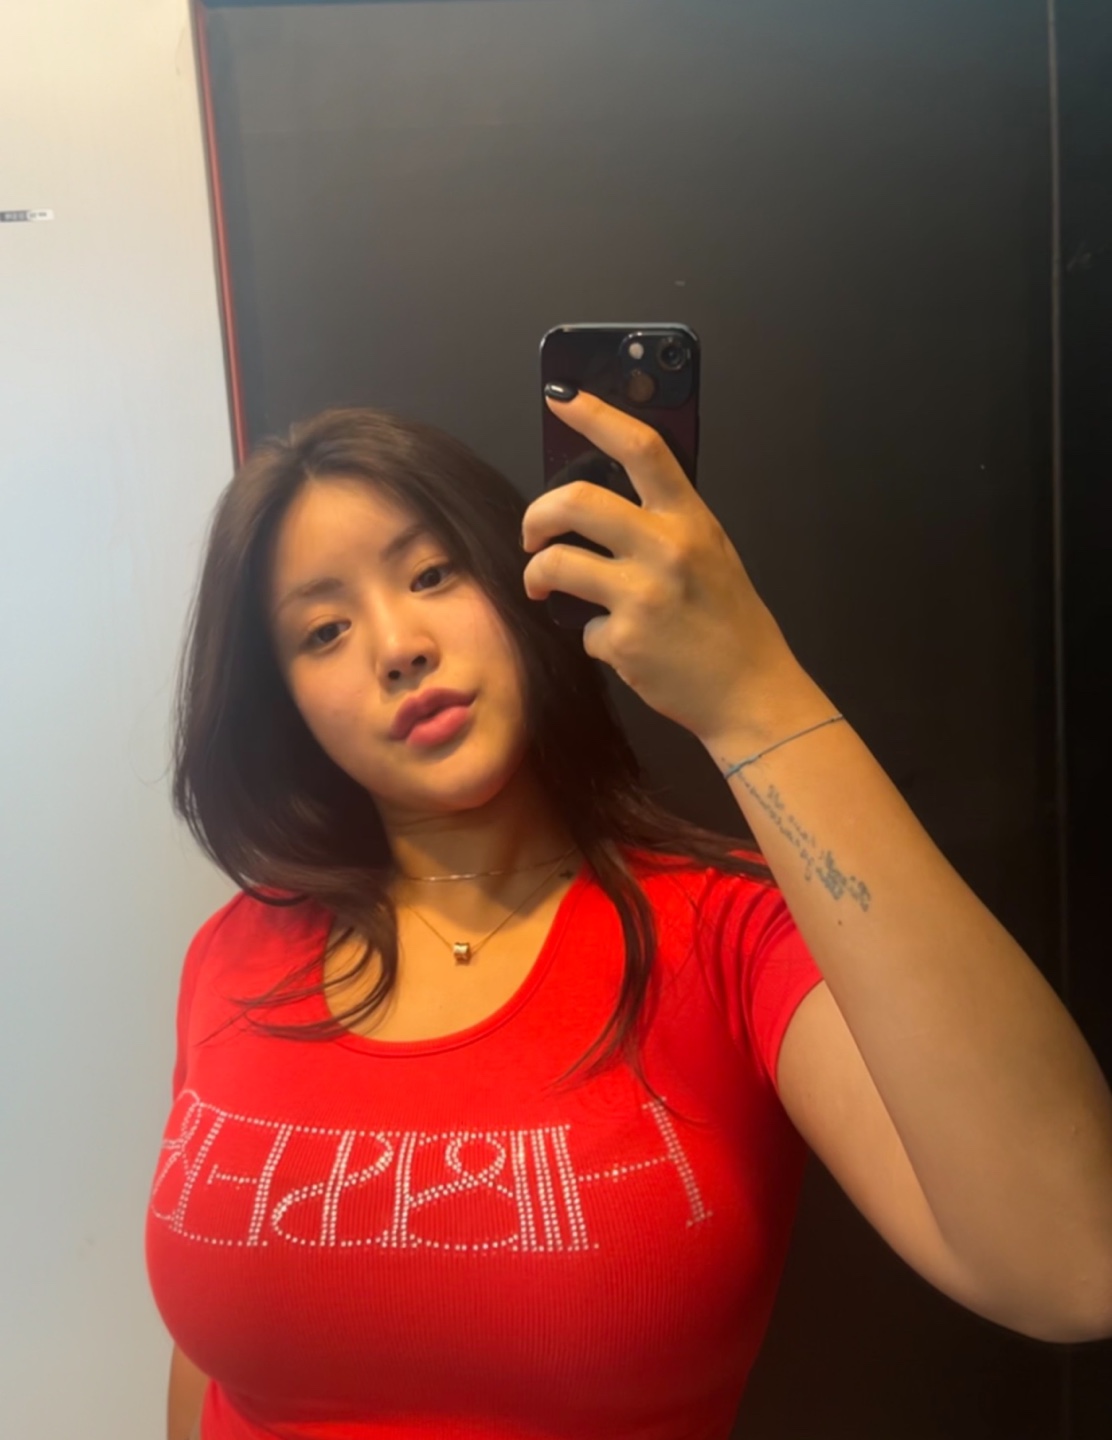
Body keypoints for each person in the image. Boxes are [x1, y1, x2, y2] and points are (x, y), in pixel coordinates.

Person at [148, 388, 1112, 1440]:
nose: (397, 645)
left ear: (525, 581)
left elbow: (1073, 1262)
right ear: (282, 701)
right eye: (323, 630)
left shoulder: (728, 934)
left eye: (432, 574)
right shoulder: (234, 951)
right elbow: (208, 1368)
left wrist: (753, 694)